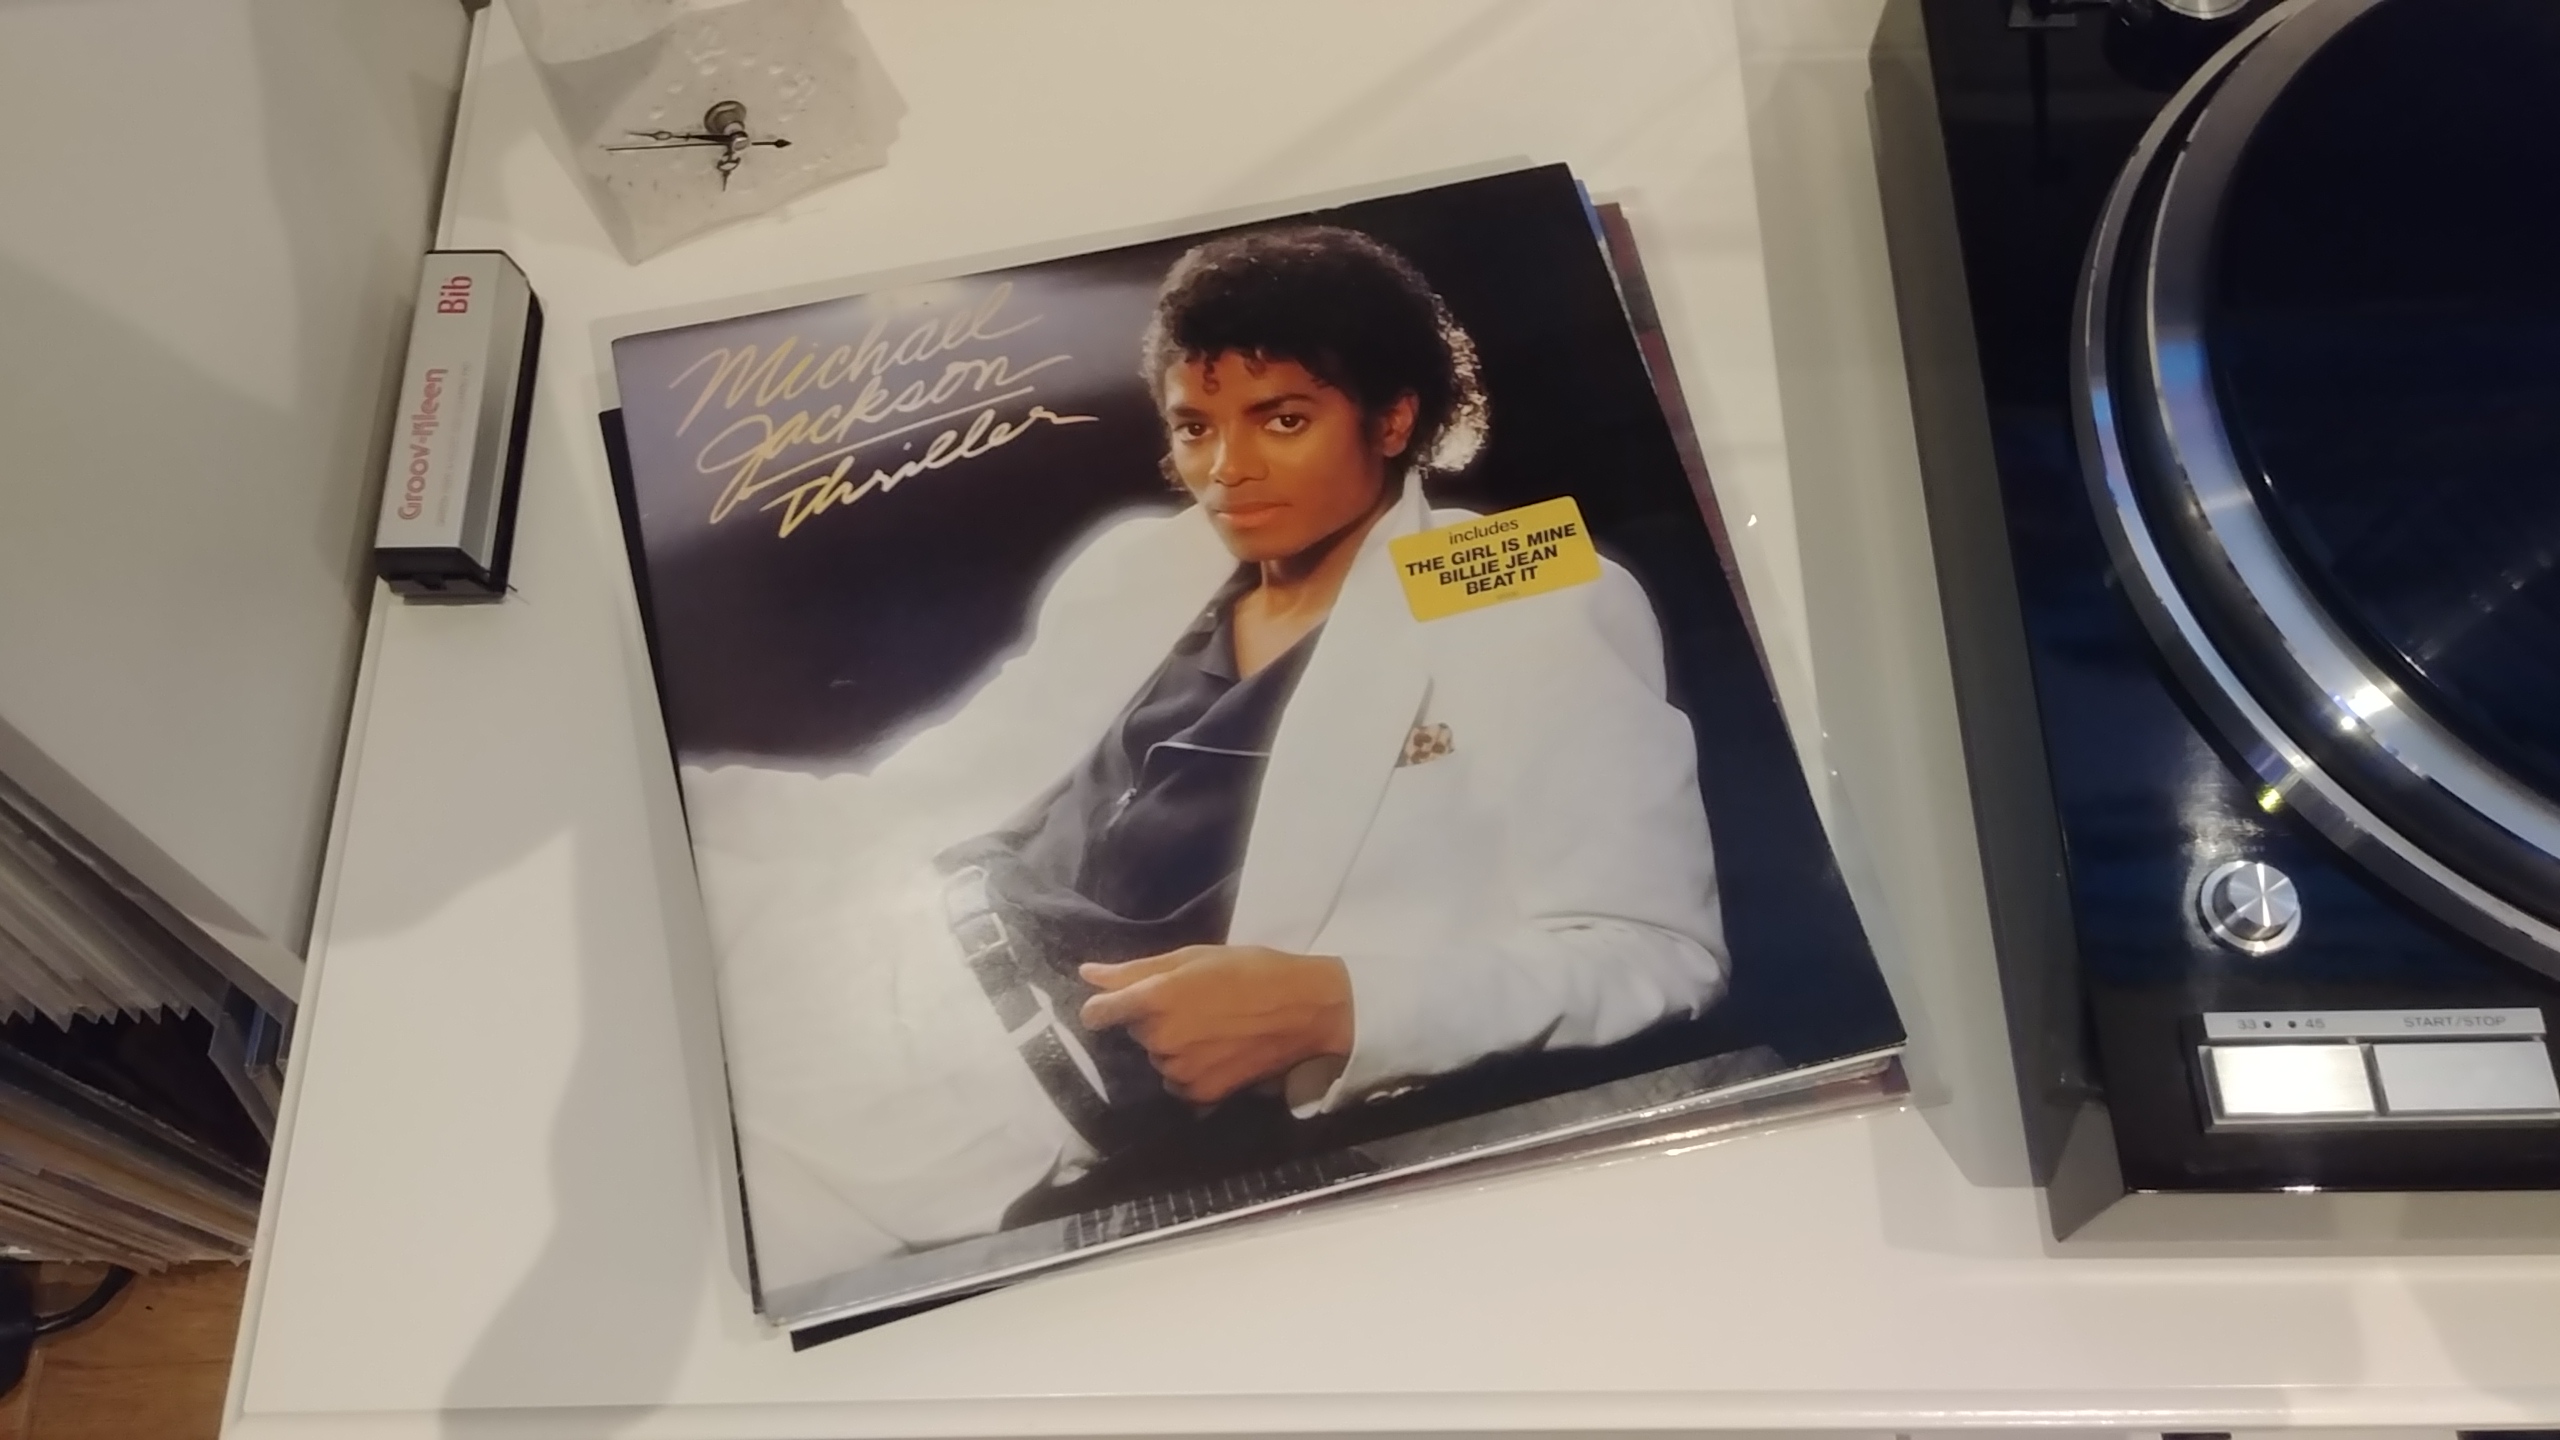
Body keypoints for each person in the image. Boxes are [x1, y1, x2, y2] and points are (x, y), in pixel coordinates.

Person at [682, 226, 1725, 1296]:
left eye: (1283, 419)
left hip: (973, 1115)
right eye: (1195, 426)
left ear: (1393, 418)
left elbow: (1654, 953)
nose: (1227, 471)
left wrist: (1338, 1004)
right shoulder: (1146, 559)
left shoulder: (1510, 576)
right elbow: (911, 799)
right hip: (841, 948)